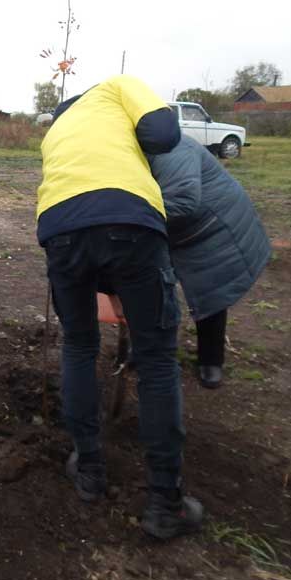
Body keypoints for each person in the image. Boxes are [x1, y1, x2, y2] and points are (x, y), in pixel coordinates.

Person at [38, 74, 202, 540]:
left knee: (79, 346)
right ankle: (164, 503)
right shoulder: (116, 86)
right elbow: (164, 133)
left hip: (60, 230)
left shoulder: (56, 133)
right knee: (155, 361)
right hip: (131, 220)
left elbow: (83, 210)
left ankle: (89, 471)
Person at [147, 135, 271, 389]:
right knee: (153, 284)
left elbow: (183, 202)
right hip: (170, 225)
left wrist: (131, 215)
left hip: (214, 224)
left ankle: (211, 359)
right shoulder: (132, 148)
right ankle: (151, 350)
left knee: (211, 289)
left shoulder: (172, 148)